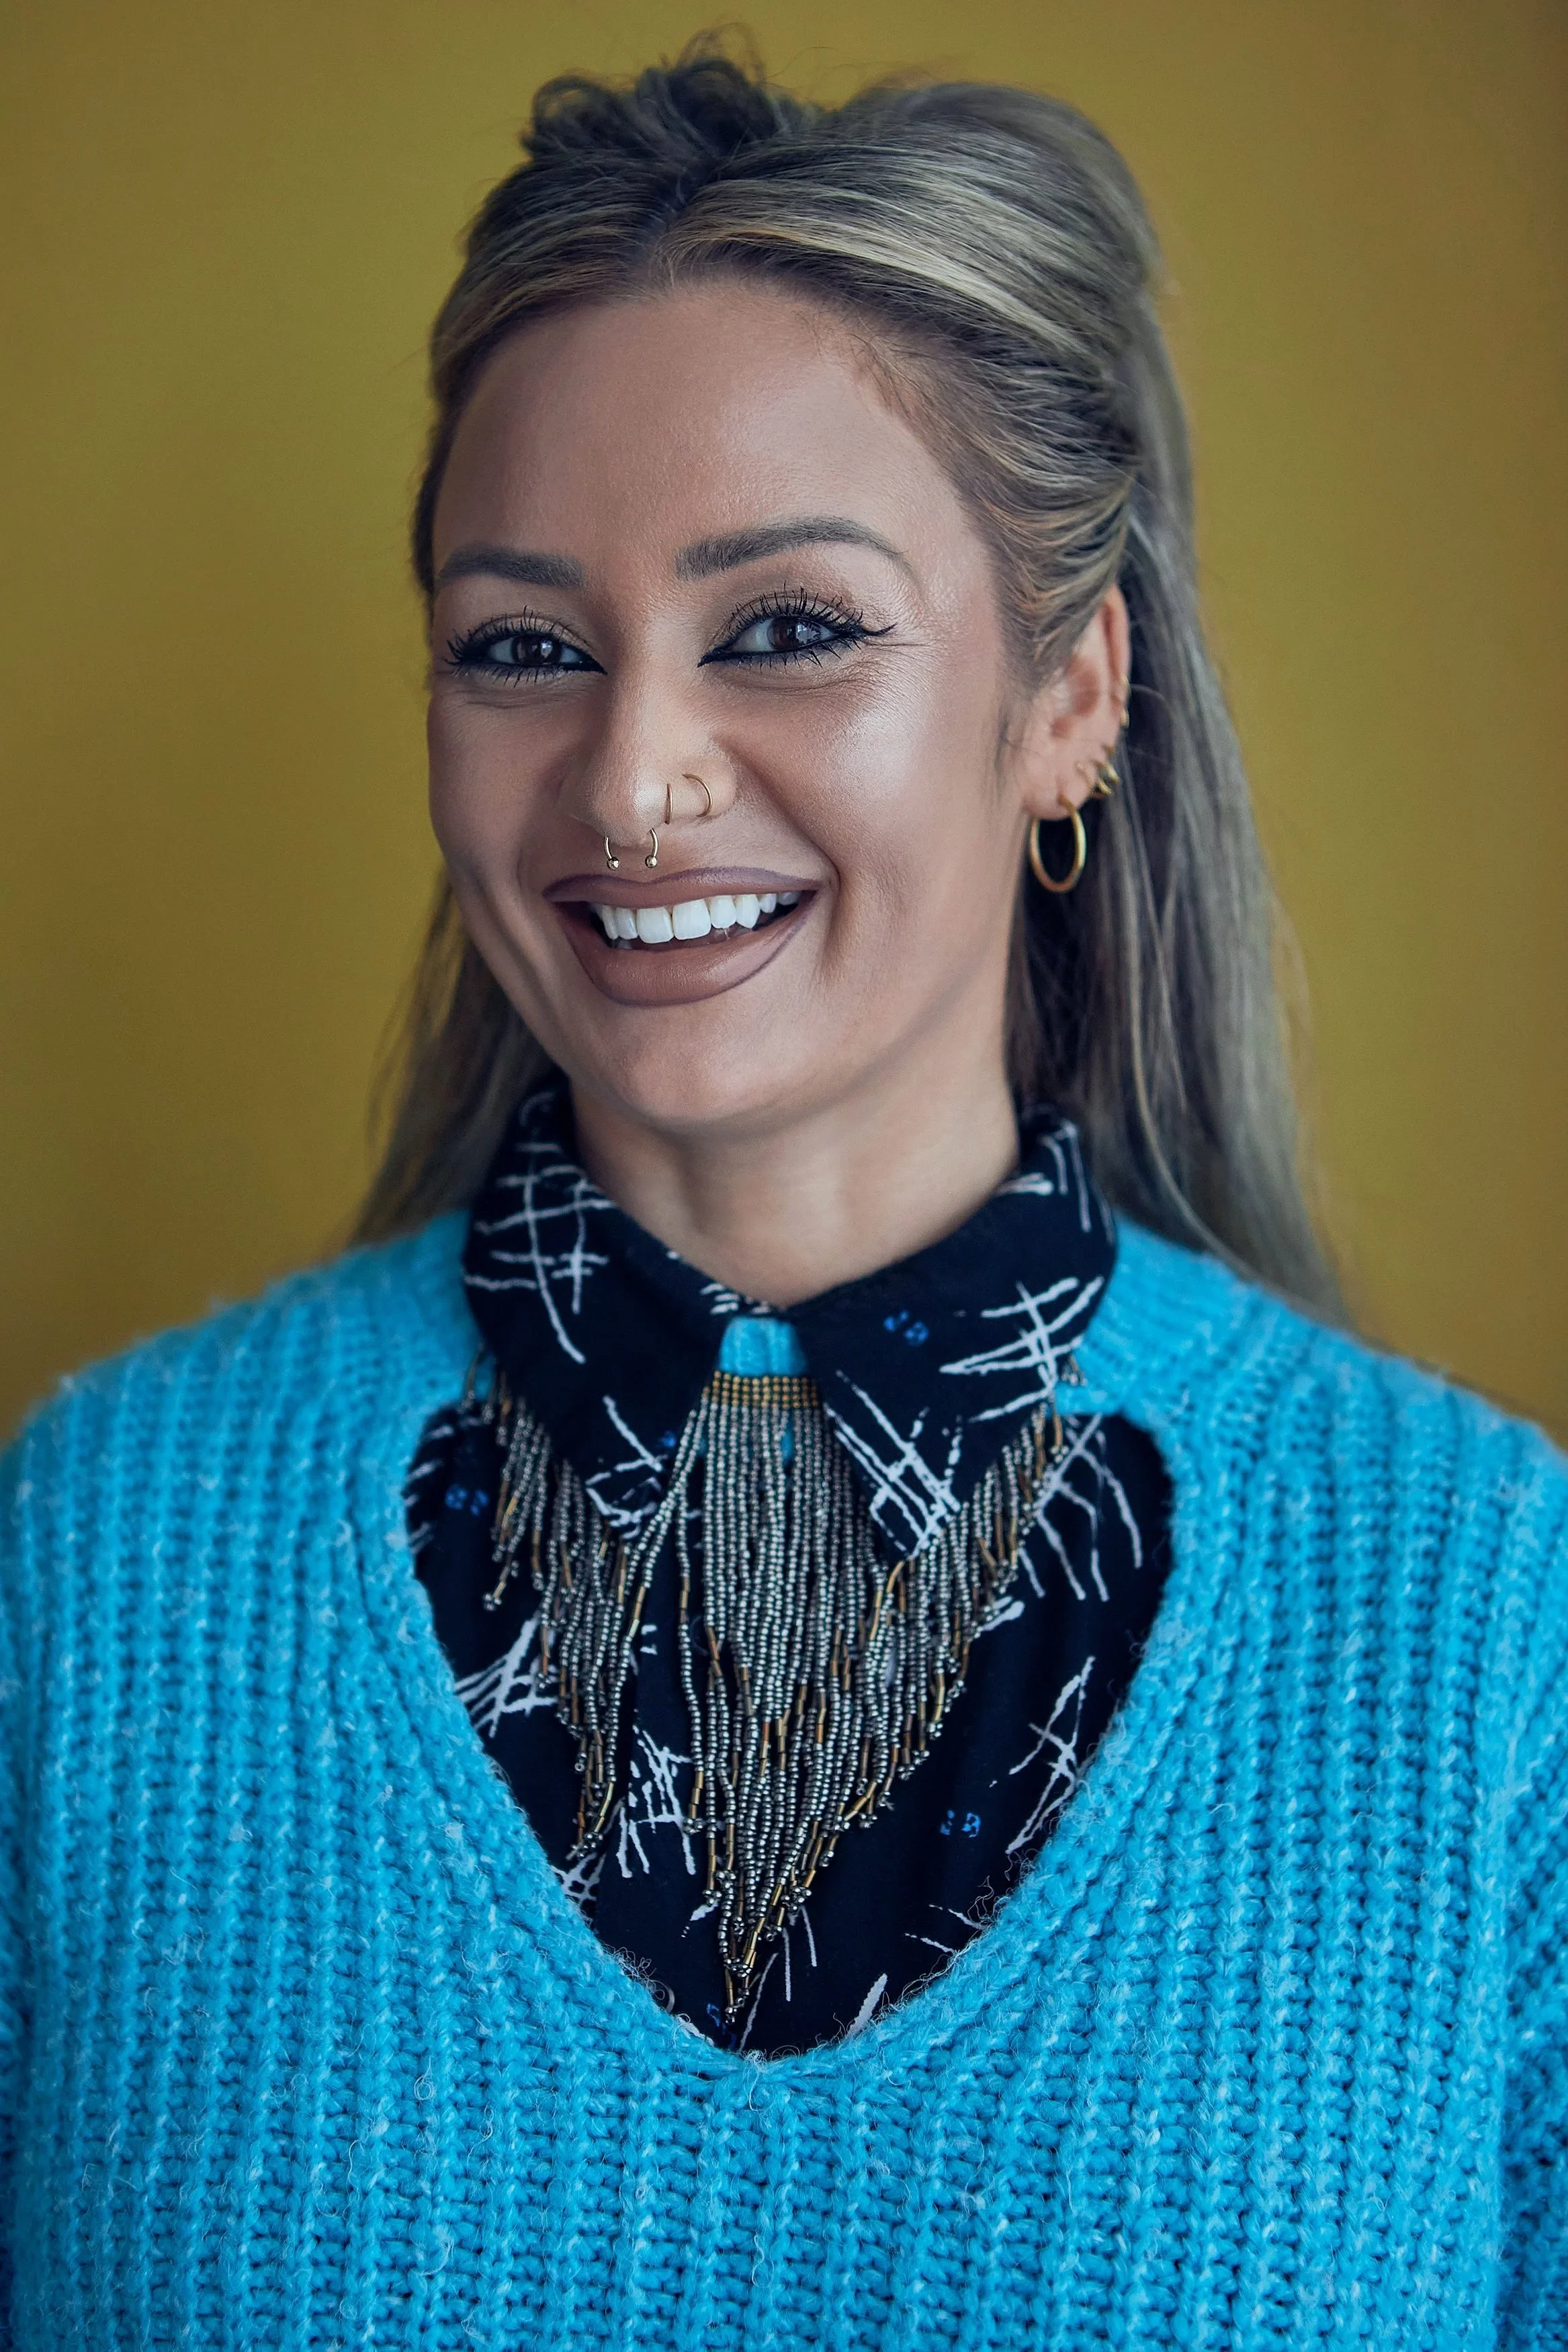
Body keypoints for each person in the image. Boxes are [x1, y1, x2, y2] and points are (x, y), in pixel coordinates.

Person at [1, 44, 1563, 2349]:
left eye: (788, 625)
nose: (628, 779)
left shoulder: (1480, 1629)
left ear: (1071, 694)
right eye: (522, 645)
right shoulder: (90, 1571)